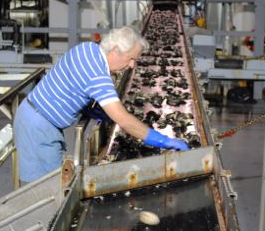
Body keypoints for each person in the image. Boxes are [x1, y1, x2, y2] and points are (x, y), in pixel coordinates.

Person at [14, 26, 190, 183]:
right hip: (39, 128)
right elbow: (124, 120)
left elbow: (73, 84)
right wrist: (164, 141)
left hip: (32, 115)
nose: (131, 65)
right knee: (46, 191)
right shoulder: (98, 75)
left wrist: (96, 111)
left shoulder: (87, 49)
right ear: (115, 50)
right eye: (131, 59)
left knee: (42, 185)